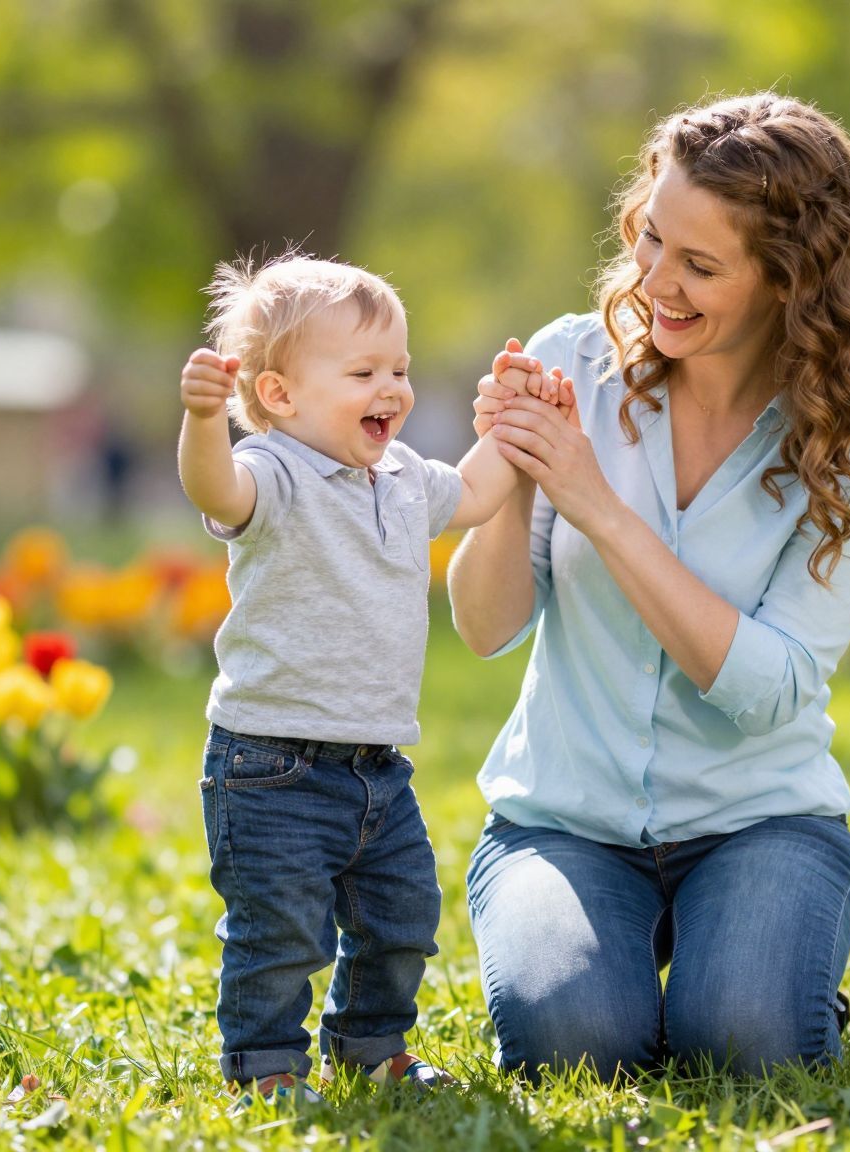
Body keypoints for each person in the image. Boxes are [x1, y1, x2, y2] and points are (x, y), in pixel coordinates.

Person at [447, 92, 850, 1079]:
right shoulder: (569, 363)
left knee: (745, 1042)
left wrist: (597, 506)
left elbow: (765, 690)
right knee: (576, 1044)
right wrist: (511, 474)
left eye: (699, 265)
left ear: (788, 282)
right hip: (564, 823)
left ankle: (768, 960)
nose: (654, 283)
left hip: (757, 821)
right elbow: (482, 628)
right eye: (649, 240)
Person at [174, 253, 571, 1107]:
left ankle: (368, 1045)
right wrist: (206, 420)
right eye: (363, 372)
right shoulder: (273, 474)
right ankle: (265, 1067)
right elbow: (216, 486)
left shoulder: (399, 479)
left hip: (376, 769)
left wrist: (514, 420)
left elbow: (473, 492)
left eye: (400, 369)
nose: (391, 387)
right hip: (270, 765)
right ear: (279, 397)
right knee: (278, 932)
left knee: (402, 915)